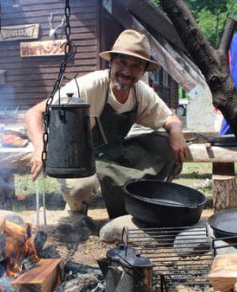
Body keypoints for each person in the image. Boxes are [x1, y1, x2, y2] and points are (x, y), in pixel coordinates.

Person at [25, 29, 189, 218]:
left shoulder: (141, 92)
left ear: (143, 71)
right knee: (80, 186)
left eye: (136, 66)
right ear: (111, 62)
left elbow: (170, 119)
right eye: (122, 62)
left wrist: (176, 133)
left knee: (163, 145)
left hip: (112, 153)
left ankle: (136, 201)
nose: (128, 72)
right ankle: (76, 212)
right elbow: (34, 113)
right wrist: (40, 147)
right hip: (78, 157)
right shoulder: (87, 86)